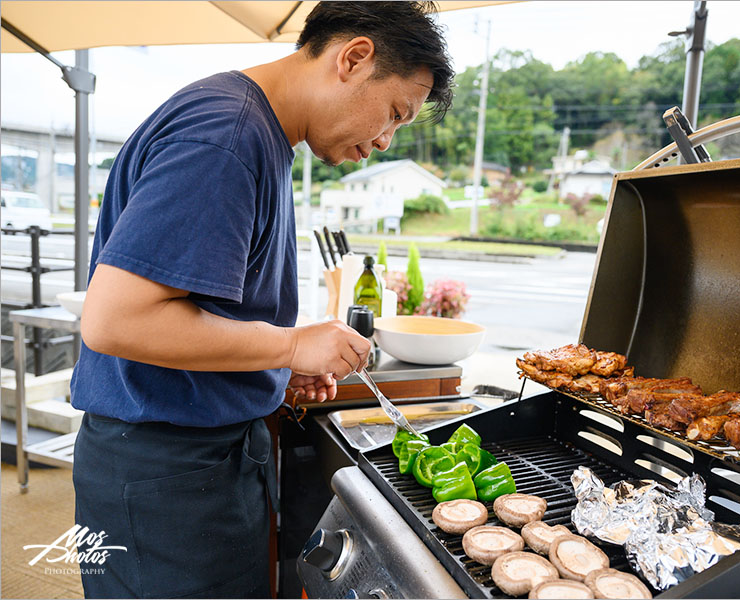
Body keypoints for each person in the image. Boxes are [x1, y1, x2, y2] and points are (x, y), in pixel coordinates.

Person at [69, 2, 454, 597]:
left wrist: (270, 363)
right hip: (166, 472)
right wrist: (293, 342)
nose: (383, 140)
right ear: (353, 59)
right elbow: (117, 320)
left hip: (198, 461)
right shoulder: (224, 135)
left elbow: (205, 309)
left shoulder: (260, 133)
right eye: (395, 115)